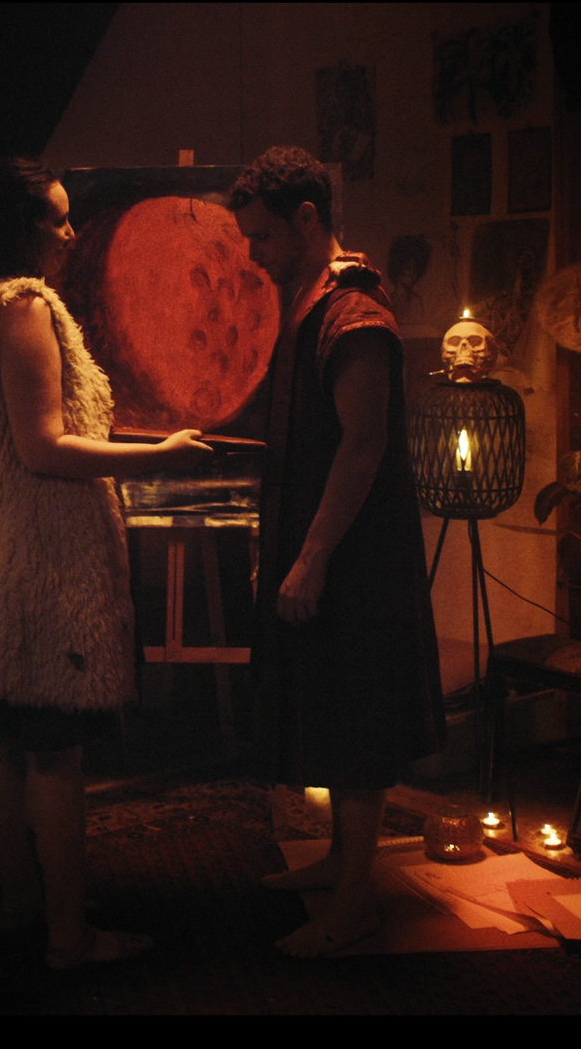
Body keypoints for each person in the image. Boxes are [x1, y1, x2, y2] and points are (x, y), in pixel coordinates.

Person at [0, 158, 213, 970]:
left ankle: (23, 903)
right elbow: (45, 448)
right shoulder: (23, 307)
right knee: (55, 751)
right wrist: (158, 456)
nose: (69, 233)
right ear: (18, 229)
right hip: (43, 563)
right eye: (55, 219)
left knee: (7, 740)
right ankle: (69, 937)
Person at [231, 146, 443, 958]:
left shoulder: (356, 316)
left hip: (359, 557)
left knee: (356, 726)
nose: (255, 254)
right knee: (328, 705)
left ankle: (356, 904)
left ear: (308, 218)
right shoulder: (311, 301)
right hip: (322, 540)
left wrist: (313, 556)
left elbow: (363, 446)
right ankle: (336, 863)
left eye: (263, 237)